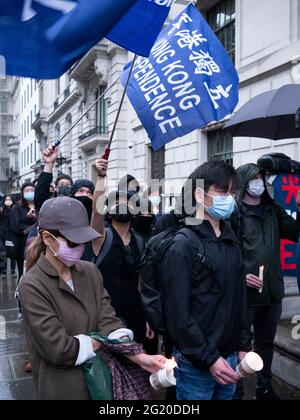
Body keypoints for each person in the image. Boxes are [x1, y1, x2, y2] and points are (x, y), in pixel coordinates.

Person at [19, 197, 165, 400]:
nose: (79, 246)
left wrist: (140, 357)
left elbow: (109, 322)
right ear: (46, 238)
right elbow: (59, 349)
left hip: (102, 384)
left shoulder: (90, 271)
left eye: (82, 240)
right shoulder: (32, 285)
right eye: (72, 241)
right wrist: (101, 340)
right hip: (63, 389)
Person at [160, 161, 251, 401]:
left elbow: (240, 298)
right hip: (195, 364)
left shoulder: (231, 241)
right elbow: (179, 316)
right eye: (223, 192)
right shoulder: (181, 245)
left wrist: (243, 345)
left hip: (230, 357)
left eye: (233, 193)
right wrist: (209, 358)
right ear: (199, 194)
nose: (230, 199)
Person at [231, 163, 300, 400]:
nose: (258, 182)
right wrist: (240, 276)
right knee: (236, 345)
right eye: (254, 177)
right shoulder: (234, 212)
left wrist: (299, 207)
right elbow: (226, 252)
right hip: (245, 295)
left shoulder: (273, 210)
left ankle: (264, 387)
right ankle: (235, 391)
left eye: (261, 177)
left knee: (265, 344)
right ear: (243, 182)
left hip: (271, 292)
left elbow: (293, 231)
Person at [91, 155, 156, 354]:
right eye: (116, 202)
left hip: (134, 309)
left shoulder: (140, 241)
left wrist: (148, 318)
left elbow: (141, 283)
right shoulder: (101, 237)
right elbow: (96, 211)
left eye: (128, 202)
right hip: (106, 309)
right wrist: (101, 177)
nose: (122, 205)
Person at [10, 183, 36, 279]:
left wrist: (35, 217)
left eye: (32, 190)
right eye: (27, 190)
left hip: (39, 243)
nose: (30, 192)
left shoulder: (40, 205)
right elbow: (16, 227)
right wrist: (29, 219)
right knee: (24, 272)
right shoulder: (17, 207)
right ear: (22, 192)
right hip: (22, 245)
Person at [0, 195, 17, 279]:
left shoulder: (15, 209)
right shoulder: (1, 210)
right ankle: (4, 271)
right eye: (6, 199)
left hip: (12, 234)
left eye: (9, 199)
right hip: (3, 234)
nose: (8, 201)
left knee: (12, 252)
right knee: (4, 253)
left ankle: (13, 271)